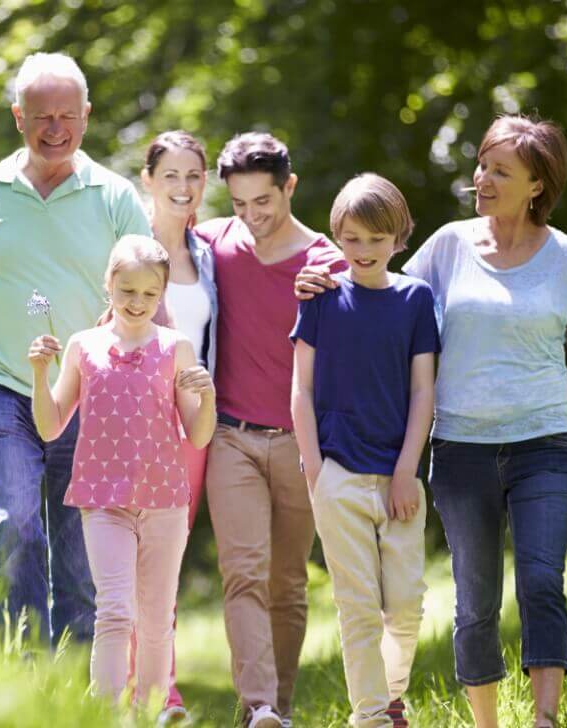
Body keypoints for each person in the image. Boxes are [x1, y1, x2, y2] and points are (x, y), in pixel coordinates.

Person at [296, 116, 567, 728]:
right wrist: (320, 274)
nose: (481, 179)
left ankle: (544, 719)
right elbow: (379, 283)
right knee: (476, 600)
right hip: (461, 449)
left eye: (499, 171)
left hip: (545, 442)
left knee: (541, 580)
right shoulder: (448, 246)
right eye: (482, 165)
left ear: (537, 185)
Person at [0, 52, 153, 646]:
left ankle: (75, 691)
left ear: (87, 115)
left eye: (67, 115)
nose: (56, 129)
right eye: (42, 116)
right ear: (17, 117)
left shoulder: (116, 198)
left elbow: (148, 303)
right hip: (4, 387)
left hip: (87, 395)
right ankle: (21, 675)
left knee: (78, 562)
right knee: (17, 525)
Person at [196, 132, 347, 728]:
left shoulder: (326, 261)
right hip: (230, 436)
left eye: (263, 201)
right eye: (238, 204)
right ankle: (257, 705)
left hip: (299, 446)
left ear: (289, 186)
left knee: (287, 583)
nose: (251, 217)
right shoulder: (212, 242)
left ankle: (278, 710)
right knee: (243, 572)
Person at [28, 234, 216, 710]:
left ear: (162, 295)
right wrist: (38, 375)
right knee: (114, 611)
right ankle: (106, 713)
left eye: (150, 294)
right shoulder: (82, 345)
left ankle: (151, 711)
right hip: (103, 502)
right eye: (127, 291)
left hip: (164, 503)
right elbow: (51, 427)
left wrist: (208, 396)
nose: (138, 302)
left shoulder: (176, 348)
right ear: (108, 285)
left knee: (156, 619)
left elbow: (197, 435)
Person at [291, 174, 437, 728]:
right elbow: (300, 389)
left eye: (377, 239)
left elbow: (423, 390)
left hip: (398, 477)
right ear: (337, 238)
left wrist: (406, 471)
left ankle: (391, 695)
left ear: (398, 237)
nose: (364, 251)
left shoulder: (414, 299)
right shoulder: (322, 297)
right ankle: (371, 717)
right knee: (357, 609)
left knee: (404, 605)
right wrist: (315, 470)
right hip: (337, 476)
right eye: (351, 239)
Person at [138, 129, 218, 723]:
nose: (183, 188)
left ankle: (155, 691)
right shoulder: (129, 251)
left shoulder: (208, 254)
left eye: (193, 176)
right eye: (171, 176)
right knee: (130, 560)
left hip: (190, 430)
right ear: (149, 180)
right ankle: (156, 693)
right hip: (134, 427)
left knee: (168, 558)